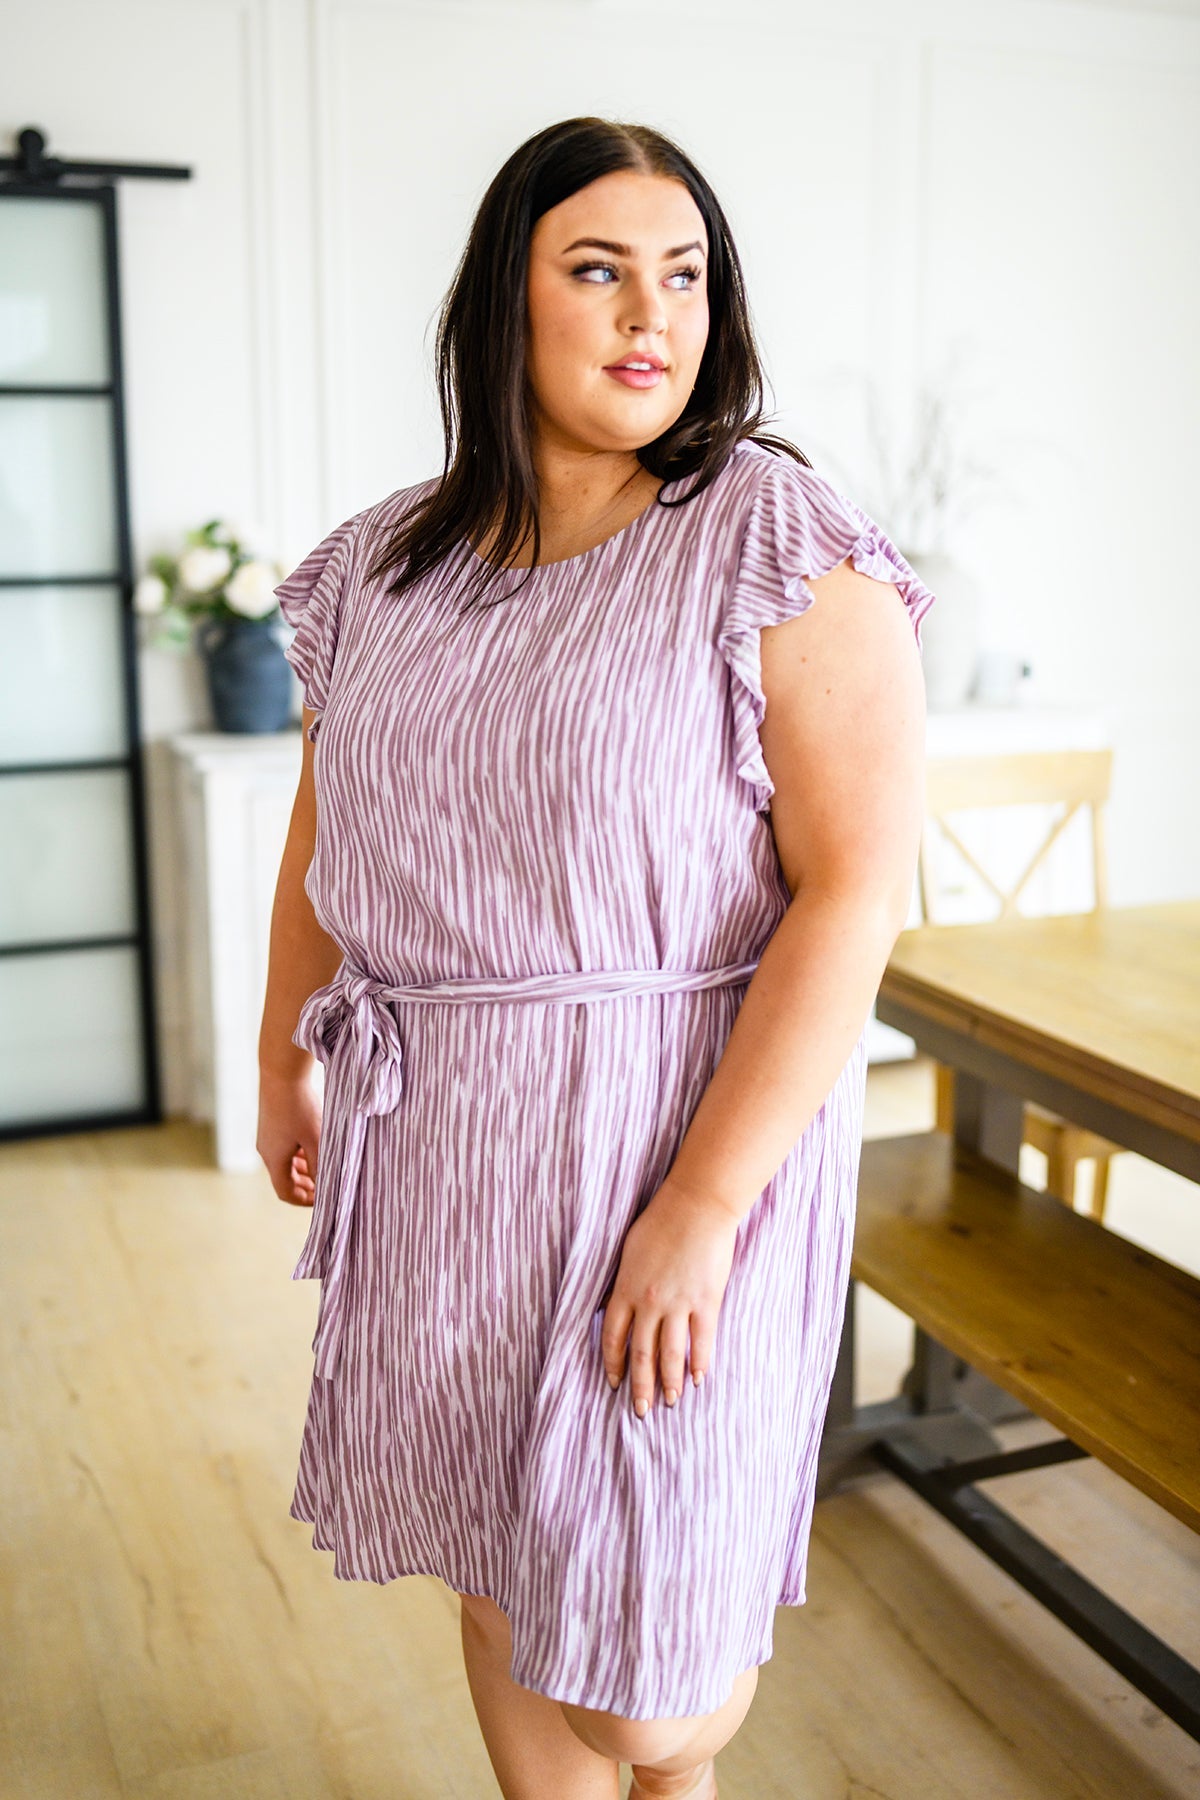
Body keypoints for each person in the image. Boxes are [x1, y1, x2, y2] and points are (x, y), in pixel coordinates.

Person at [257, 116, 934, 1800]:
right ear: (507, 296)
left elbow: (854, 893)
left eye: (685, 276)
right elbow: (327, 829)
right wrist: (284, 1055)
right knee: (495, 1535)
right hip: (443, 1141)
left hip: (681, 1138)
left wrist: (701, 1208)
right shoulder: (381, 567)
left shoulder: (771, 537)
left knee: (652, 1698)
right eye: (600, 268)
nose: (653, 314)